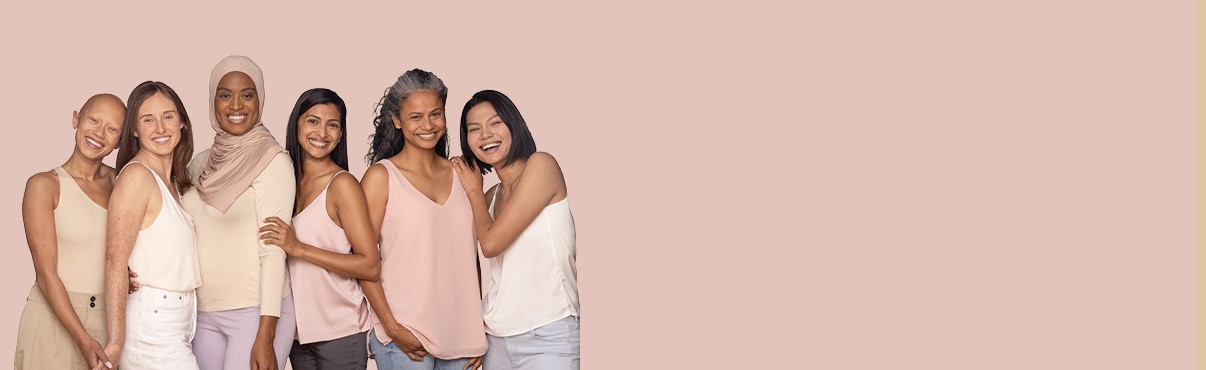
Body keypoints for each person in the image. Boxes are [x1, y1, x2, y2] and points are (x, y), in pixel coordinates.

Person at [361, 69, 486, 370]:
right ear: (397, 120)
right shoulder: (381, 177)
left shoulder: (463, 174)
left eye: (435, 114)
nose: (428, 125)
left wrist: (479, 328)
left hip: (462, 340)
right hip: (405, 338)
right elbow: (362, 259)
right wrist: (391, 327)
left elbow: (474, 257)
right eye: (415, 117)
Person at [450, 90, 580, 370]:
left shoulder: (542, 165)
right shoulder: (492, 196)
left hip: (548, 336)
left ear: (513, 125)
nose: (485, 135)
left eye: (495, 123)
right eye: (474, 129)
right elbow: (453, 249)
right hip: (496, 339)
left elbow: (491, 244)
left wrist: (473, 190)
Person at [181, 55, 296, 370]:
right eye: (225, 94)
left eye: (247, 94)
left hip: (256, 312)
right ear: (212, 101)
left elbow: (274, 251)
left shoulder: (273, 161)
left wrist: (265, 334)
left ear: (260, 99)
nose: (236, 105)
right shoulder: (200, 162)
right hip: (202, 313)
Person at [258, 88, 380, 369]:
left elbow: (370, 265)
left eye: (332, 125)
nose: (322, 133)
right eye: (313, 121)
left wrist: (298, 248)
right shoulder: (284, 180)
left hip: (340, 331)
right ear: (296, 124)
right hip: (297, 335)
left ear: (341, 133)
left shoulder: (342, 185)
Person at [15, 94, 125, 370]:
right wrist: (84, 340)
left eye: (112, 129)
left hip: (108, 320)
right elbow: (45, 274)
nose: (99, 133)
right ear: (76, 119)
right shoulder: (44, 186)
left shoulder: (123, 182)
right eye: (93, 120)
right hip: (52, 319)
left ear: (121, 141)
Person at [103, 81, 202, 370]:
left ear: (182, 122)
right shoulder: (137, 177)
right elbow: (114, 261)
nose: (160, 128)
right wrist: (115, 344)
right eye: (148, 119)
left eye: (168, 116)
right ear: (134, 129)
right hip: (152, 321)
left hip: (178, 320)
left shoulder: (172, 183)